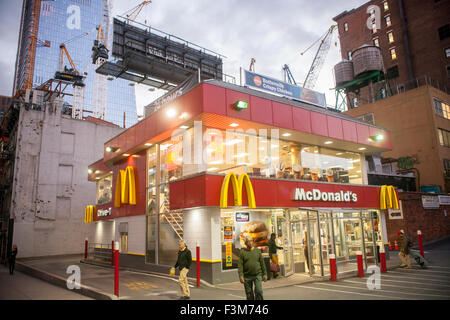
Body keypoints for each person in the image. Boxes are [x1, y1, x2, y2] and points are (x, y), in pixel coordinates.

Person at [238, 235, 267, 300]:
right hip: (247, 276)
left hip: (257, 275)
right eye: (248, 241)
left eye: (251, 241)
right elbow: (240, 265)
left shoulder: (257, 251)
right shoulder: (243, 252)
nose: (250, 243)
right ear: (245, 243)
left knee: (259, 291)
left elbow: (262, 263)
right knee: (249, 294)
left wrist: (265, 274)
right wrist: (241, 276)